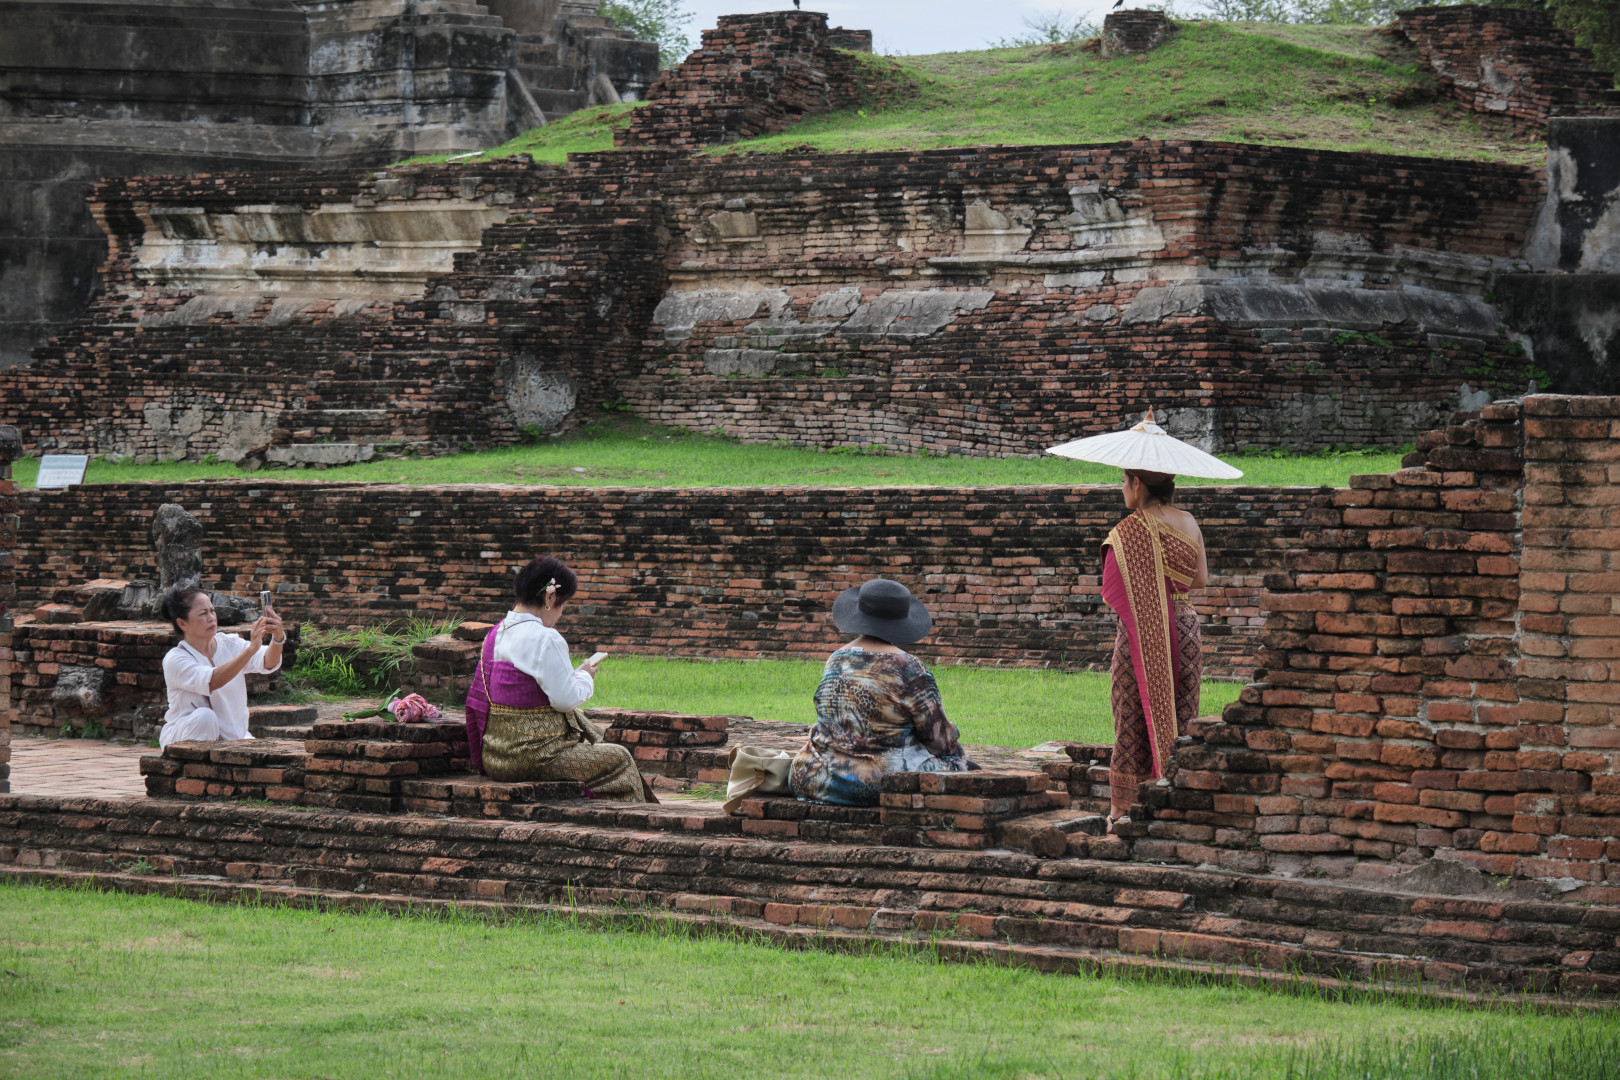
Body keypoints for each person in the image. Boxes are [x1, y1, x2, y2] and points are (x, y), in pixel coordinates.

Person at [463, 556, 655, 802]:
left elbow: (535, 688)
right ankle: (626, 823)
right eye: (563, 604)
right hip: (536, 757)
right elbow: (566, 700)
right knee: (620, 758)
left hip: (497, 758)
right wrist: (585, 676)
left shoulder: (495, 634)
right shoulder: (546, 638)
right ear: (549, 598)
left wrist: (575, 675)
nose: (561, 613)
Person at [789, 578, 975, 806]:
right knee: (955, 760)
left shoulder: (835, 660)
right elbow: (939, 741)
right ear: (901, 621)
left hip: (814, 777)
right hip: (876, 784)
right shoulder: (909, 668)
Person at [1102, 468, 1208, 828]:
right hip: (1185, 623)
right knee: (1181, 716)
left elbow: (1114, 590)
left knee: (1129, 714)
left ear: (1137, 484)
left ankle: (1122, 809)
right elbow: (1201, 579)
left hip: (1140, 631)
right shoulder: (1189, 521)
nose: (1122, 489)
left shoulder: (1130, 530)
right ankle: (1172, 797)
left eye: (1123, 481)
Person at [159, 586, 286, 748]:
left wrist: (278, 638)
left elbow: (268, 661)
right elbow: (212, 681)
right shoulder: (175, 659)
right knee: (205, 718)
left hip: (234, 738)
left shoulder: (229, 643)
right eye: (203, 613)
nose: (211, 618)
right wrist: (250, 650)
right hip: (185, 736)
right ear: (183, 623)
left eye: (212, 611)